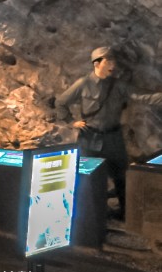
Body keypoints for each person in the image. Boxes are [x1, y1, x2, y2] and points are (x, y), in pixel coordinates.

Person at [56, 46, 162, 220]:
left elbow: (143, 96)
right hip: (90, 138)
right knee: (87, 178)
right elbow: (61, 102)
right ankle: (88, 216)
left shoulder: (118, 85)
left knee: (122, 176)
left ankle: (125, 213)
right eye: (108, 61)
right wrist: (70, 121)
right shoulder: (83, 84)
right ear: (97, 63)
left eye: (113, 61)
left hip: (113, 138)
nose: (113, 65)